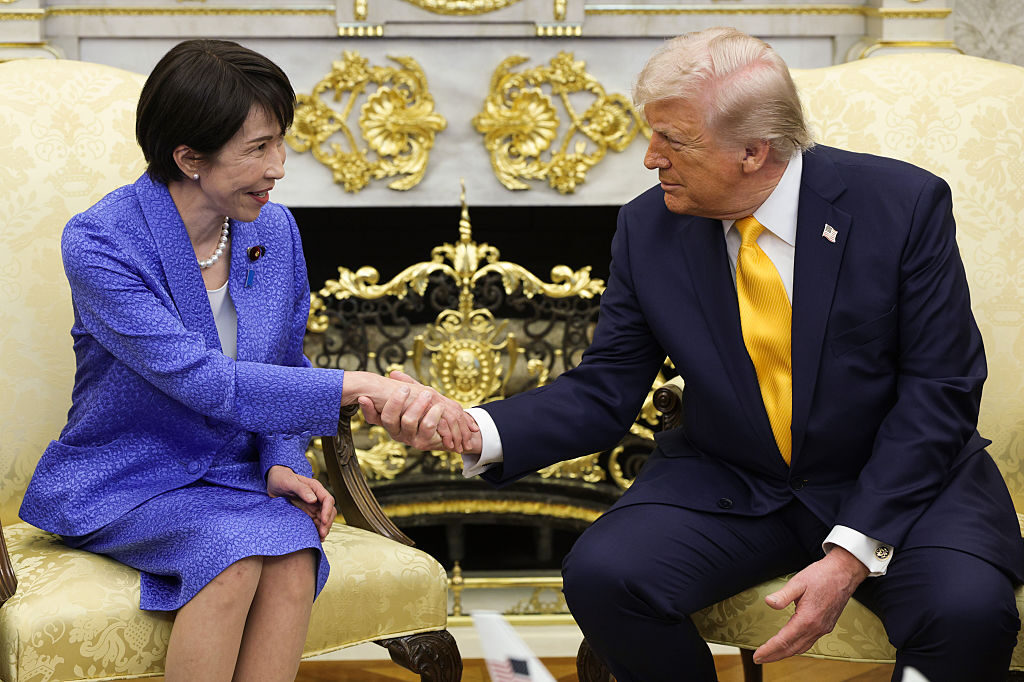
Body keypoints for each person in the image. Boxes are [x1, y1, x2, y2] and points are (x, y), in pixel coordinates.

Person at [364, 27, 1024, 682]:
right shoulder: (648, 226)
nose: (650, 159)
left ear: (753, 151)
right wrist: (473, 427)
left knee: (967, 612)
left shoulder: (901, 206)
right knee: (606, 575)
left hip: (899, 479)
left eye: (672, 140)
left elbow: (941, 388)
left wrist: (852, 551)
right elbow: (605, 388)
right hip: (733, 482)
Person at [18, 39, 474, 682]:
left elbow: (283, 365)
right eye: (258, 148)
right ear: (189, 158)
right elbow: (202, 381)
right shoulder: (101, 242)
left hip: (235, 478)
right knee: (231, 561)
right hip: (128, 478)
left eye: (280, 142)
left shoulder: (274, 231)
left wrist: (282, 460)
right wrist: (361, 385)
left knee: (294, 558)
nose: (279, 166)